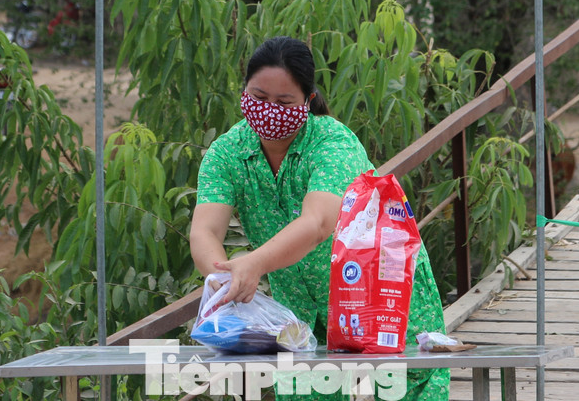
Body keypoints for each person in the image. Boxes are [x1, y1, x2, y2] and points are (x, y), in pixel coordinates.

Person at [190, 36, 448, 401]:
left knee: (404, 390)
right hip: (298, 312)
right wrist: (221, 277)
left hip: (381, 296)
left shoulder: (333, 144)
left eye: (284, 102)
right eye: (259, 97)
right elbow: (205, 229)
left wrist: (253, 264)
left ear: (308, 101)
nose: (269, 110)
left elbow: (318, 224)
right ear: (244, 90)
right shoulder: (226, 153)